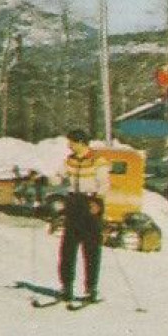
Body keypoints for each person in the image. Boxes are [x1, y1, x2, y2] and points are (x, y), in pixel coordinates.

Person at [58, 128, 108, 303]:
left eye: (71, 142)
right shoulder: (70, 160)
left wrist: (98, 201)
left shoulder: (97, 160)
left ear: (80, 142)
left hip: (91, 202)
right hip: (74, 202)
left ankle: (91, 288)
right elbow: (59, 176)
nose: (69, 145)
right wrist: (45, 177)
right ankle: (66, 286)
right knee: (68, 247)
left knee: (91, 248)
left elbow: (104, 183)